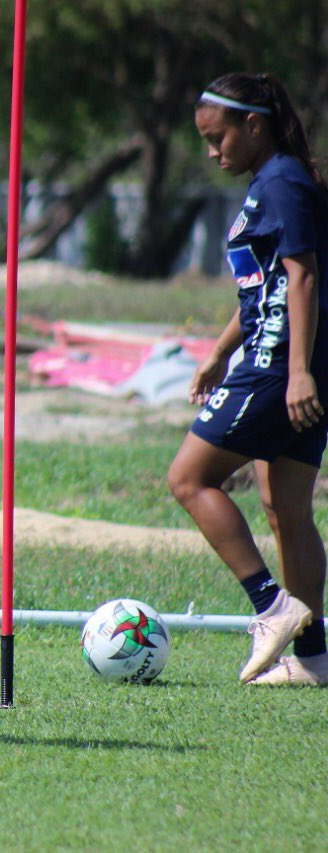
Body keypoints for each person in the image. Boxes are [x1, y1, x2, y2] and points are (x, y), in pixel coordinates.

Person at [168, 72, 328, 686]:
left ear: (253, 125)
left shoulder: (282, 183)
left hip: (278, 367)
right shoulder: (276, 180)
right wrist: (216, 352)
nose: (213, 152)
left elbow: (304, 277)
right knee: (285, 506)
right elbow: (266, 285)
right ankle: (313, 657)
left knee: (188, 478)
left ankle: (271, 606)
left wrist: (298, 373)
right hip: (279, 360)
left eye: (219, 138)